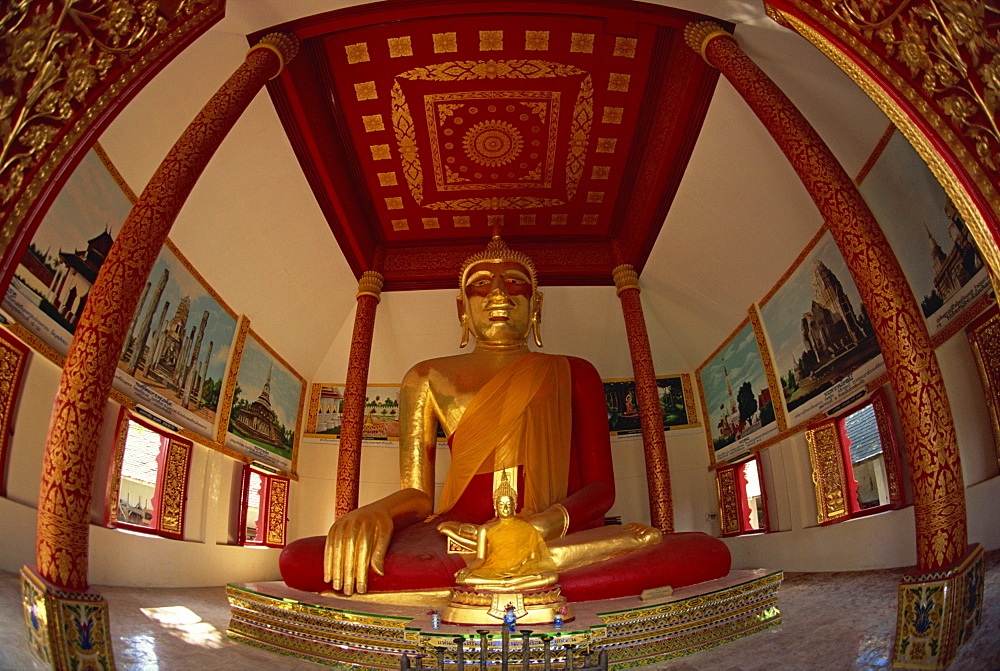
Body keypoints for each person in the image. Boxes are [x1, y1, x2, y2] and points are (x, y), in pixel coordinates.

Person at [279, 236, 731, 600]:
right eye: (480, 285)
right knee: (301, 558)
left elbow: (601, 490)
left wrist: (536, 529)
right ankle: (546, 582)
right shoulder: (427, 377)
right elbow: (418, 493)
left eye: (515, 283)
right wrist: (377, 512)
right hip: (456, 538)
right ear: (462, 310)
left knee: (703, 551)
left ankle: (510, 576)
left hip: (553, 532)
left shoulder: (575, 371)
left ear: (536, 307)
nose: (498, 293)